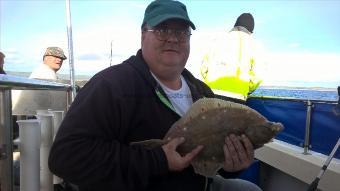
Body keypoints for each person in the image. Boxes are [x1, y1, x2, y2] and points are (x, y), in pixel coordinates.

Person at [48, 1, 261, 191]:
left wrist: (232, 165)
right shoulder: (111, 86)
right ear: (143, 35)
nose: (172, 39)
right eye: (162, 30)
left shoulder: (201, 91)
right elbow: (66, 157)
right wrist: (158, 160)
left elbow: (211, 165)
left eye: (181, 32)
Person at [200, 13, 262, 103]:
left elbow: (204, 67)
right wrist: (249, 89)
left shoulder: (218, 39)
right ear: (250, 31)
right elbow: (257, 76)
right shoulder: (254, 45)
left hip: (211, 93)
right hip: (238, 97)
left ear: (235, 25)